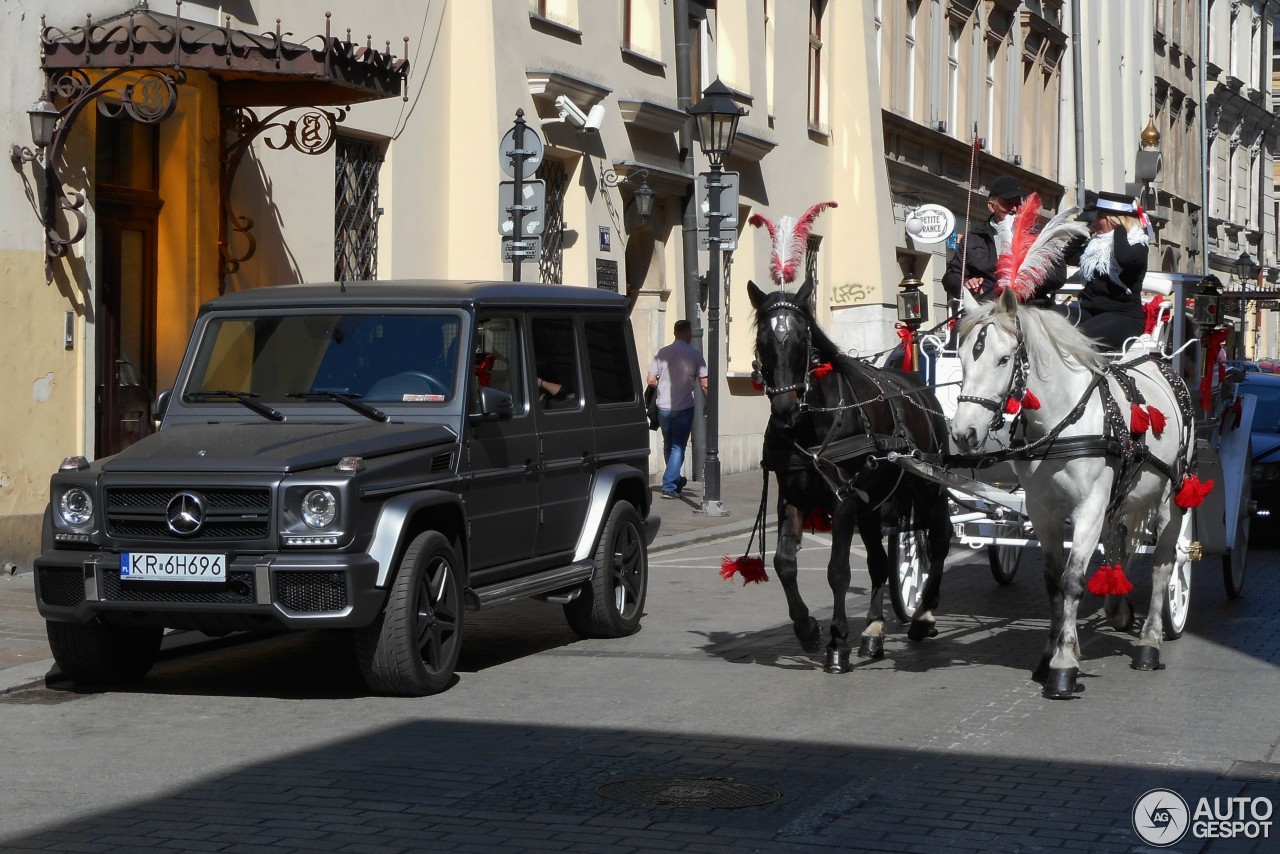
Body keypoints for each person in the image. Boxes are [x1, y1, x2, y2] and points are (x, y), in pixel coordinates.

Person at [1065, 191, 1151, 351]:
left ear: (1115, 220)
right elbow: (1068, 256)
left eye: (1099, 217)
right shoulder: (1096, 247)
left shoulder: (1138, 244)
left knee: (1077, 339)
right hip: (1089, 312)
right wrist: (1087, 229)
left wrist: (1120, 230)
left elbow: (1123, 258)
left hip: (1123, 318)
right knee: (1049, 322)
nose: (1095, 222)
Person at [646, 319, 708, 499]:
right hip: (684, 407)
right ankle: (670, 486)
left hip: (663, 407)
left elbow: (650, 380)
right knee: (678, 446)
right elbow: (704, 384)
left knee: (669, 444)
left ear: (675, 333)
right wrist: (708, 403)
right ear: (688, 333)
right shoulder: (695, 355)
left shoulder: (662, 353)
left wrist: (662, 385)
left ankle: (675, 479)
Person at [942, 174, 1025, 302]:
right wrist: (965, 283)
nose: (1014, 209)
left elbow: (1057, 275)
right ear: (992, 206)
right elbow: (951, 276)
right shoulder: (972, 239)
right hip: (986, 305)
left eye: (1017, 204)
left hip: (1028, 305)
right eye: (1007, 203)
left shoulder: (1033, 236)